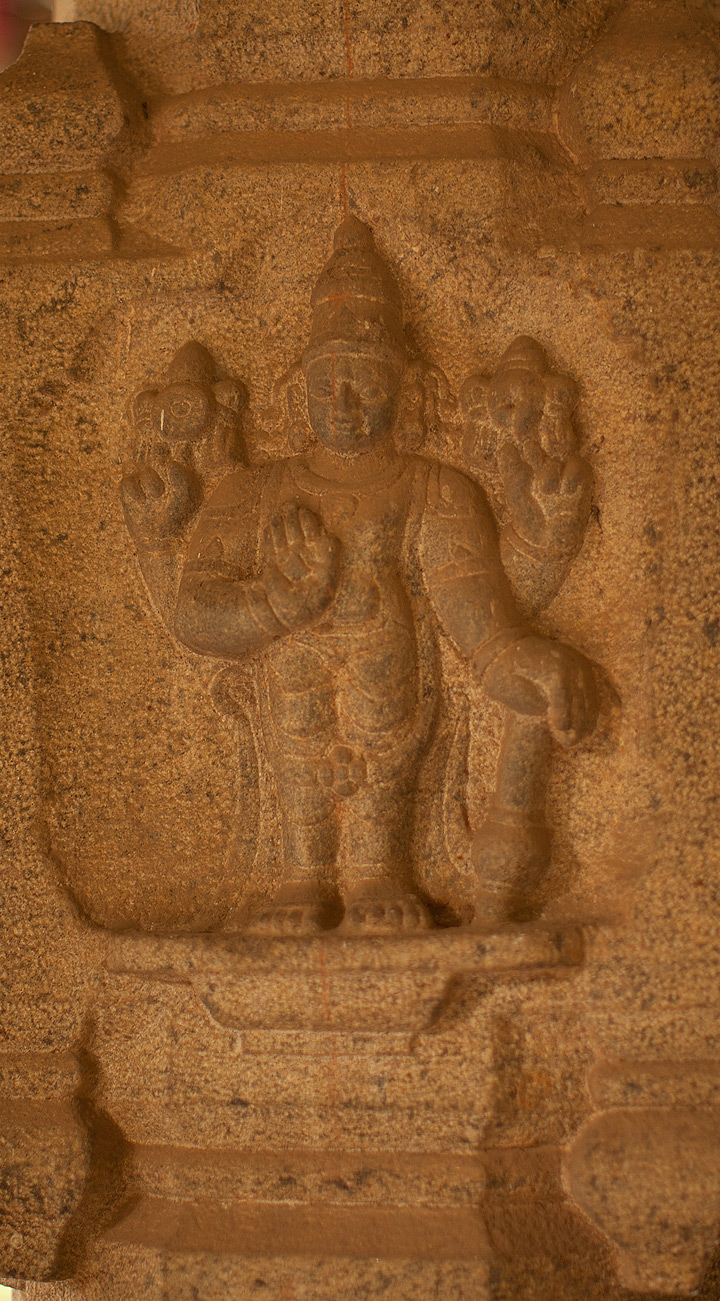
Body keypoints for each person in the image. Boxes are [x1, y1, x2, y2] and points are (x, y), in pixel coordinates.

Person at [171, 217, 598, 932]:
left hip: (392, 697)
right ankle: (302, 873)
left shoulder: (436, 491)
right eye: (327, 381)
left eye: (365, 379)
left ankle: (379, 871)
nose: (343, 402)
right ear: (298, 388)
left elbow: (478, 627)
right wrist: (274, 605)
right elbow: (193, 613)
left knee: (382, 692)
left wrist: (528, 657)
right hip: (291, 699)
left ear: (408, 387)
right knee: (298, 686)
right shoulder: (253, 493)